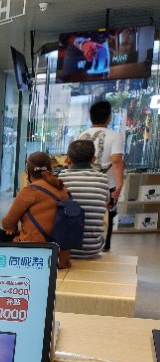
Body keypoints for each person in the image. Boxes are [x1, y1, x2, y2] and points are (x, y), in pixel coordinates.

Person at [0, 151, 72, 269]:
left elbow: (7, 222)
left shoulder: (30, 190)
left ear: (28, 172)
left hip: (35, 252)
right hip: (60, 256)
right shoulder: (62, 189)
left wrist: (12, 229)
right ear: (50, 169)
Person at [78, 100, 124, 251]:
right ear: (109, 117)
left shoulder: (82, 135)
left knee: (84, 211)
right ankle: (105, 245)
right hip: (107, 183)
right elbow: (116, 161)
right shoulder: (115, 136)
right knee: (108, 214)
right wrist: (119, 184)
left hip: (84, 181)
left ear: (91, 117)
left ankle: (82, 242)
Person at [58, 140, 110, 259]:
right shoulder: (102, 178)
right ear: (93, 159)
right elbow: (106, 202)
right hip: (93, 248)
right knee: (105, 212)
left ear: (68, 159)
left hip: (64, 249)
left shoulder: (62, 177)